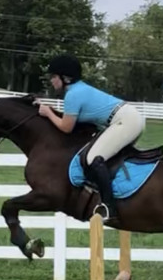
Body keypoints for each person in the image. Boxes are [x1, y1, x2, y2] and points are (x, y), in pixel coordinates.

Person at [37, 53, 146, 221]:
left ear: (65, 78)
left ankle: (109, 208)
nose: (51, 80)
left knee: (93, 158)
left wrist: (48, 113)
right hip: (129, 117)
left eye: (53, 76)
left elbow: (66, 128)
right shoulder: (79, 90)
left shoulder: (73, 94)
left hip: (125, 121)